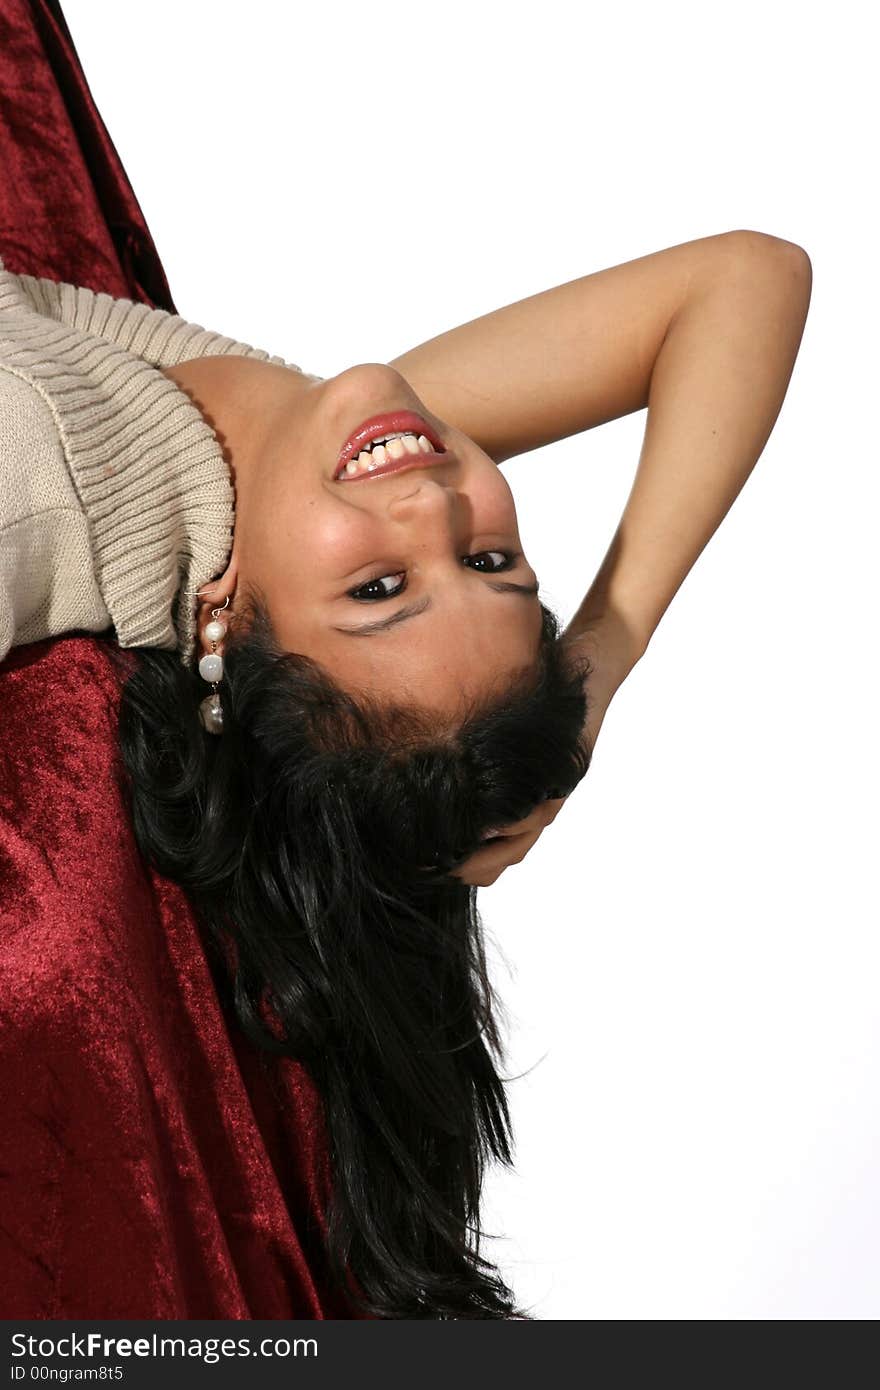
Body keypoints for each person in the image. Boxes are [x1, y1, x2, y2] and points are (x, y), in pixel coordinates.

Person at [0, 3, 812, 1323]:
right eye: (500, 569)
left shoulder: (45, 497)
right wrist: (591, 669)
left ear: (227, 634)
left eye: (379, 590)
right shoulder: (267, 452)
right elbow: (744, 279)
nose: (435, 511)